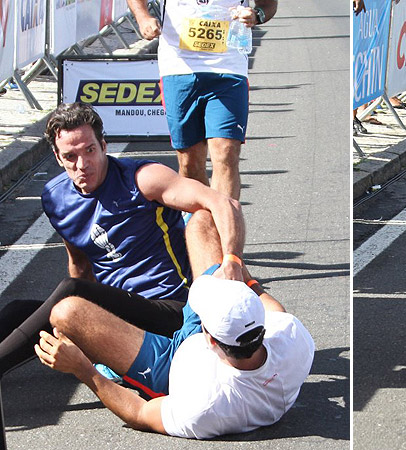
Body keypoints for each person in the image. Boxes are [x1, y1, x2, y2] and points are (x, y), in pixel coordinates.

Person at [0, 102, 245, 378]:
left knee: (71, 289)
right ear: (57, 158)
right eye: (70, 157)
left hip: (168, 309)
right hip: (115, 313)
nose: (83, 165)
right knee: (17, 310)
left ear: (104, 145)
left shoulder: (143, 179)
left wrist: (232, 260)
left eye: (90, 151)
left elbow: (222, 203)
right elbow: (79, 264)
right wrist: (80, 326)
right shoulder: (55, 198)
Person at [33, 210, 315, 439]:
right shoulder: (291, 335)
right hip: (220, 340)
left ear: (210, 339)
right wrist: (239, 269)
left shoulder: (206, 407)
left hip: (167, 366)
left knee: (66, 312)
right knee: (202, 220)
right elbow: (276, 309)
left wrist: (82, 368)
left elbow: (140, 413)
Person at [126, 0, 278, 200]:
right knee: (190, 163)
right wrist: (143, 17)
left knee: (226, 153)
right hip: (179, 67)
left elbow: (267, 5)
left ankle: (223, 227)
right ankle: (202, 221)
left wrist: (256, 14)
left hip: (228, 67)